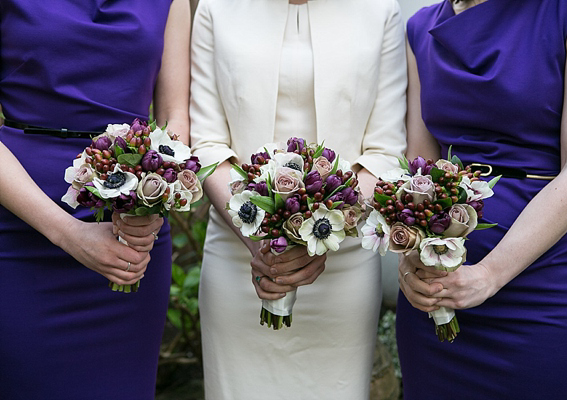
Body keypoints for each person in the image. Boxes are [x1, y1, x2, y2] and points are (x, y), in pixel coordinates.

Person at [189, 0, 407, 398]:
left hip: (344, 262)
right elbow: (206, 145)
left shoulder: (381, 10)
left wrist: (327, 229)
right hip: (240, 258)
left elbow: (385, 151)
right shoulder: (215, 8)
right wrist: (258, 238)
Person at [396, 0, 567, 399]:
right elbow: (420, 170)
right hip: (436, 298)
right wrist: (409, 261)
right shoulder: (420, 28)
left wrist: (488, 275)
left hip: (539, 296)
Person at [0, 1, 190, 398]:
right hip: (19, 229)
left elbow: (175, 116)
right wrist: (69, 233)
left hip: (133, 230)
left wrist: (152, 205)